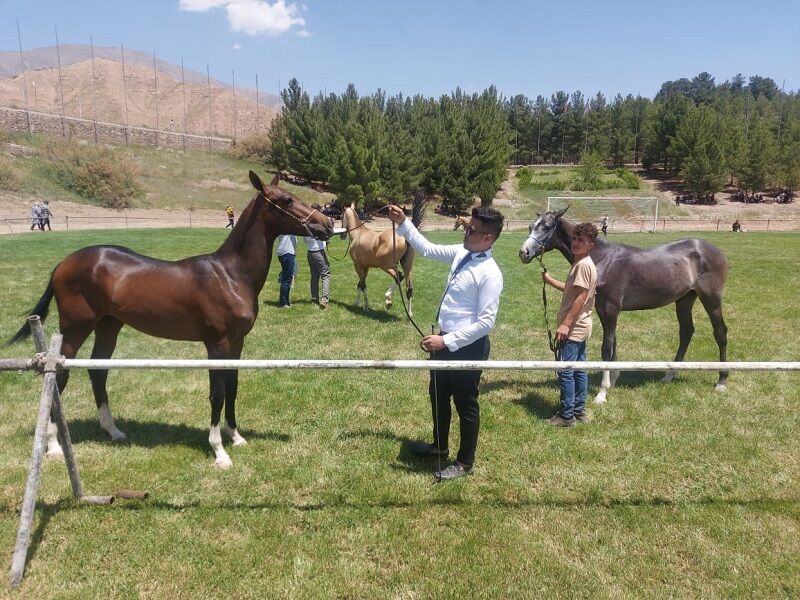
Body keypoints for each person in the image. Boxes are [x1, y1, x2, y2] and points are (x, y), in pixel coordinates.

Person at [386, 204, 505, 482]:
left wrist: (446, 340)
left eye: (471, 230)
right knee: (438, 396)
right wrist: (404, 223)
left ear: (487, 238)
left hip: (468, 347)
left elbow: (486, 323)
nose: (465, 231)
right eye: (467, 225)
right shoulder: (462, 252)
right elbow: (427, 249)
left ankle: (464, 462)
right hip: (443, 343)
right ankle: (438, 447)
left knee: (466, 404)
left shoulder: (490, 273)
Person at [542, 222, 598, 427]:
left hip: (574, 328)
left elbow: (580, 297)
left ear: (591, 244)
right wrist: (550, 281)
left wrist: (565, 324)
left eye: (581, 240)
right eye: (574, 238)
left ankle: (566, 415)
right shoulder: (584, 263)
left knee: (566, 370)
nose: (575, 243)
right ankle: (579, 410)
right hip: (583, 326)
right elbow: (572, 289)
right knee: (579, 369)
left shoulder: (583, 265)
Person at [303, 209, 331, 309]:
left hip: (310, 253)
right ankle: (324, 300)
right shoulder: (318, 226)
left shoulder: (306, 226)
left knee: (314, 277)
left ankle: (314, 299)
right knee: (325, 274)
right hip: (318, 252)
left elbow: (305, 241)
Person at [275, 234, 297, 308]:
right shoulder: (289, 227)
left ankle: (286, 301)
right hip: (288, 253)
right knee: (286, 279)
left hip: (283, 252)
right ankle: (283, 302)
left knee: (288, 278)